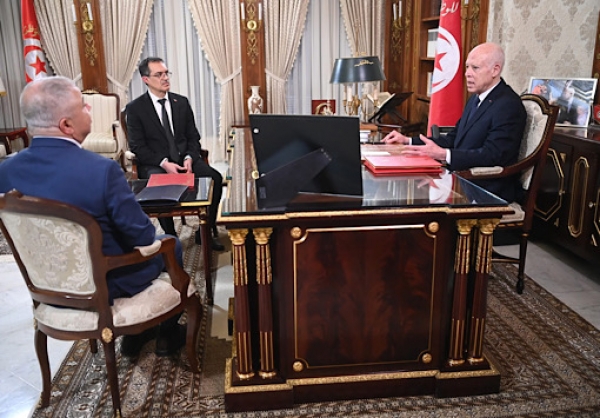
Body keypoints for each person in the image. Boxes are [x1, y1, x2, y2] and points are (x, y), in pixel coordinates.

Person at [0, 76, 185, 358]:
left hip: (45, 286)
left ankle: (137, 337)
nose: (89, 109)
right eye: (83, 106)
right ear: (66, 125)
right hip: (105, 283)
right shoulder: (102, 170)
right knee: (172, 243)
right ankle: (165, 336)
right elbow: (143, 236)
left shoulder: (5, 171)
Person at [383, 42, 527, 203]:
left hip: (487, 190)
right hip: (462, 180)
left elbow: (493, 155)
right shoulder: (475, 99)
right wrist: (408, 141)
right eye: (467, 67)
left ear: (495, 70)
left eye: (475, 68)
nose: (467, 73)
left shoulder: (508, 104)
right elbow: (453, 139)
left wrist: (444, 154)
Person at [126, 57, 224, 251]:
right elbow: (138, 147)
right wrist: (164, 163)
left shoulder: (181, 102)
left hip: (185, 160)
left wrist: (189, 157)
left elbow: (193, 137)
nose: (165, 78)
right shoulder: (135, 109)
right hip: (156, 163)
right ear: (146, 79)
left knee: (215, 178)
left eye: (166, 73)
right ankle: (171, 238)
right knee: (161, 187)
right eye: (159, 75)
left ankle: (204, 232)